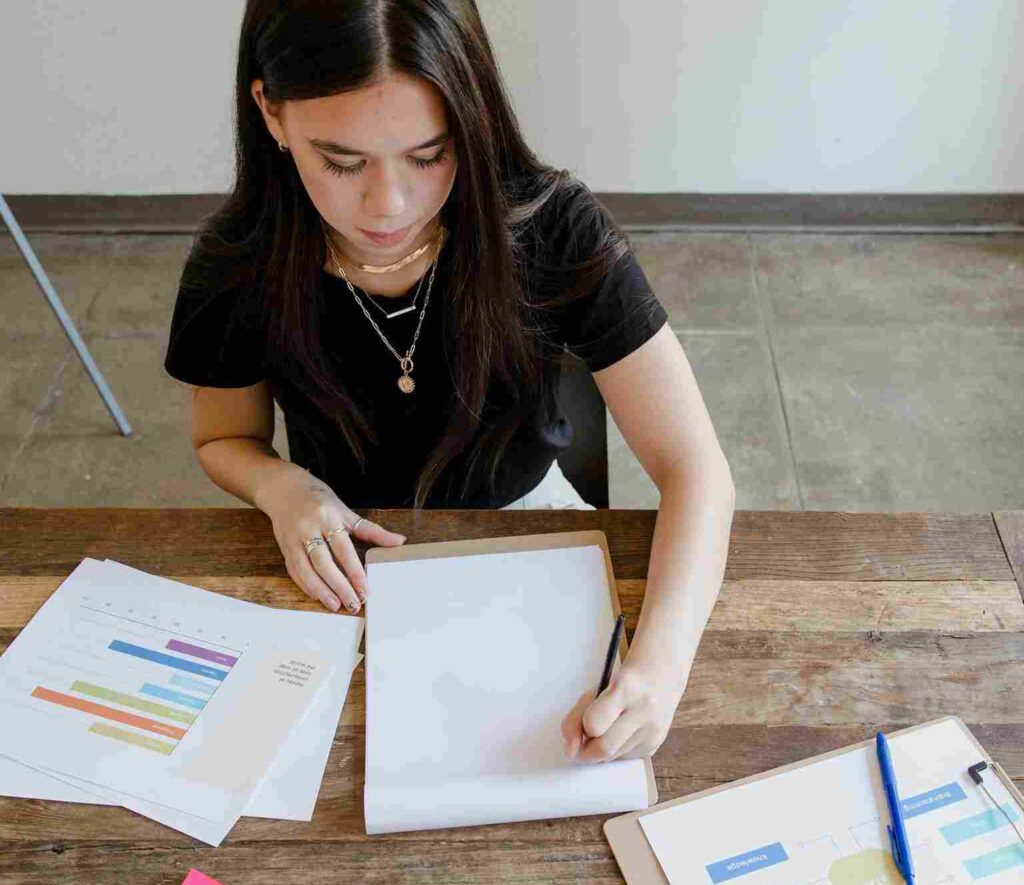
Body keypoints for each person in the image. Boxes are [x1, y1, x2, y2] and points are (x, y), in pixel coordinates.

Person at [164, 0, 736, 765]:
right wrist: (282, 488)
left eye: (430, 154)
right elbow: (223, 437)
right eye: (341, 161)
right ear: (270, 111)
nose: (388, 205)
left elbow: (697, 468)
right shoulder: (237, 262)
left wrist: (659, 670)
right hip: (340, 558)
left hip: (532, 538)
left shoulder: (550, 226)